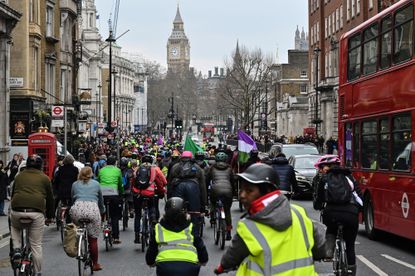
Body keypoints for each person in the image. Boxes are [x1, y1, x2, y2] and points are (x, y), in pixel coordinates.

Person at [214, 163, 326, 275]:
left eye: (249, 191)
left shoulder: (248, 226)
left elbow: (232, 256)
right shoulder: (298, 212)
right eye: (241, 190)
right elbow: (320, 245)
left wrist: (222, 267)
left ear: (267, 191)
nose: (242, 195)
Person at [313, 155, 363, 276]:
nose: (320, 170)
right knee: (350, 245)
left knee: (330, 229)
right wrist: (358, 210)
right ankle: (351, 272)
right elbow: (359, 197)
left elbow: (319, 200)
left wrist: (319, 206)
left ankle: (329, 251)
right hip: (351, 213)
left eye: (321, 167)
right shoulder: (349, 177)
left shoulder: (324, 179)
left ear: (328, 167)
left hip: (331, 213)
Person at [10, 155, 54, 276]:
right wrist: (50, 216)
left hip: (17, 210)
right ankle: (38, 272)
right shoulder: (45, 178)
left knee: (14, 227)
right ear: (41, 166)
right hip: (35, 212)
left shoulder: (18, 176)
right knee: (36, 245)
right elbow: (50, 199)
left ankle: (17, 248)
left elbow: (13, 194)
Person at [146, 197, 208, 276]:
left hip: (165, 268)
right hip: (189, 267)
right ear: (185, 212)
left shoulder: (158, 228)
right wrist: (203, 260)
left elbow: (152, 249)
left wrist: (151, 262)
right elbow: (200, 246)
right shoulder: (190, 227)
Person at [70, 167, 105, 271]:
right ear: (91, 174)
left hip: (78, 208)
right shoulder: (96, 184)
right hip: (92, 209)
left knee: (78, 229)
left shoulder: (75, 184)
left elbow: (72, 199)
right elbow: (101, 200)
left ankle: (78, 241)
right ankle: (95, 264)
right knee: (93, 240)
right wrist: (102, 211)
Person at [168, 151, 207, 237]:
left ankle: (177, 234)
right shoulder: (198, 168)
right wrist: (203, 205)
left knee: (176, 212)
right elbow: (202, 187)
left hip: (178, 188)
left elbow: (169, 185)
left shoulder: (175, 167)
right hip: (193, 189)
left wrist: (169, 200)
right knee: (194, 214)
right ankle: (195, 237)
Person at [132, 155, 167, 244]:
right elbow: (159, 183)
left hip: (138, 194)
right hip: (150, 193)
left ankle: (136, 235)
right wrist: (160, 192)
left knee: (138, 214)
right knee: (152, 208)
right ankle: (153, 221)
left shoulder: (137, 169)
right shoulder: (154, 170)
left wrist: (134, 192)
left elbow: (133, 182)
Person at [205, 152, 234, 240]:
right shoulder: (229, 168)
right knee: (227, 211)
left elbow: (207, 180)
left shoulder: (212, 168)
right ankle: (228, 232)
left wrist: (206, 191)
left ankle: (213, 217)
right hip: (228, 191)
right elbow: (233, 182)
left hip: (215, 190)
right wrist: (233, 191)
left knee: (213, 202)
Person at [98, 155, 124, 244]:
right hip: (114, 194)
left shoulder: (101, 170)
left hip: (103, 194)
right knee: (115, 216)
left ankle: (102, 220)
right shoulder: (117, 170)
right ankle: (116, 237)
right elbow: (120, 184)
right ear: (115, 163)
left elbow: (98, 181)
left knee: (102, 208)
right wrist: (121, 193)